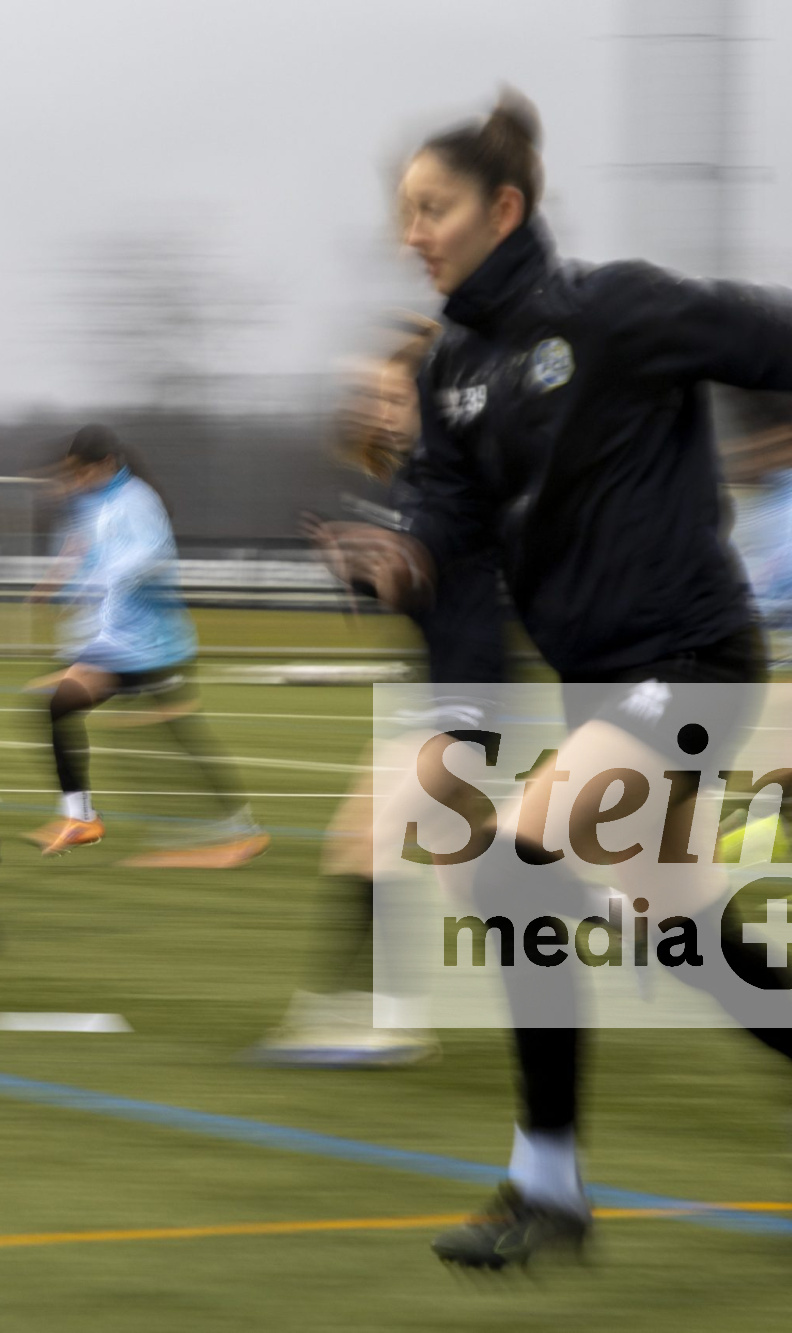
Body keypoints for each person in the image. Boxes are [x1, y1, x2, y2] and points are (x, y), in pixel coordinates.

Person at [335, 91, 792, 1269]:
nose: (410, 231)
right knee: (679, 931)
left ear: (502, 208)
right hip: (600, 684)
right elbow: (446, 514)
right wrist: (405, 556)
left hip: (691, 661)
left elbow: (780, 334)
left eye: (432, 208)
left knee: (507, 864)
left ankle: (548, 1182)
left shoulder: (614, 310)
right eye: (404, 211)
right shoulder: (451, 370)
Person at [255, 317, 507, 1065]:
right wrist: (365, 569)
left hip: (473, 696)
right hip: (446, 693)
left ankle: (381, 1019)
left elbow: (425, 565)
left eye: (393, 397)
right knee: (469, 875)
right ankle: (621, 916)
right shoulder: (416, 481)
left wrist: (381, 562)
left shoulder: (454, 476)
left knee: (366, 837)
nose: (379, 410)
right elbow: (418, 584)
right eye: (375, 398)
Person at [24, 424, 269, 868]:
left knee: (181, 737)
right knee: (58, 705)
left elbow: (153, 553)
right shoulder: (98, 503)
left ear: (105, 464)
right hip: (117, 645)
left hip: (155, 645)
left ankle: (243, 832)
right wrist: (63, 585)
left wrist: (111, 576)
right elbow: (94, 561)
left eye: (81, 471)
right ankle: (81, 818)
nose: (75, 480)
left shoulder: (136, 500)